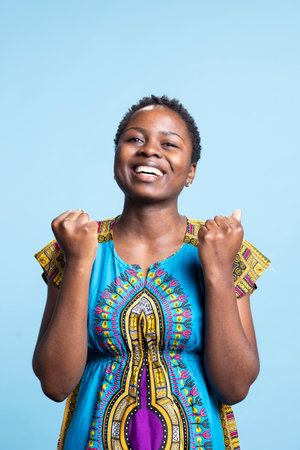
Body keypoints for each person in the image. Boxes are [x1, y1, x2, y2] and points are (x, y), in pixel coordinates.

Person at [33, 95, 270, 450]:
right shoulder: (75, 244)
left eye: (169, 144)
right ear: (117, 157)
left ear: (191, 171)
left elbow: (235, 388)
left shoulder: (223, 247)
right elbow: (54, 383)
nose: (149, 152)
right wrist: (81, 262)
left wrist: (219, 270)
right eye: (134, 140)